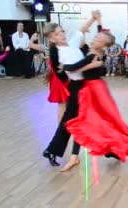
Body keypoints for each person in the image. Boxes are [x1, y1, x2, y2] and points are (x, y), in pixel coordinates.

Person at [63, 31, 128, 164]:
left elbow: (73, 67)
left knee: (104, 122)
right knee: (97, 122)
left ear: (103, 45)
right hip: (92, 89)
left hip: (95, 91)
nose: (94, 39)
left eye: (98, 39)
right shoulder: (96, 53)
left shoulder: (94, 55)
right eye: (95, 37)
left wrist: (62, 65)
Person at [41, 12, 101, 170]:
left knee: (72, 120)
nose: (62, 34)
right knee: (82, 121)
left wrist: (93, 19)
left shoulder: (72, 43)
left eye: (62, 31)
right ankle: (63, 153)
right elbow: (73, 71)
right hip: (78, 87)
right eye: (58, 33)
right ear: (52, 38)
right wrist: (91, 62)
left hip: (85, 87)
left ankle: (54, 151)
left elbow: (81, 30)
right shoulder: (59, 54)